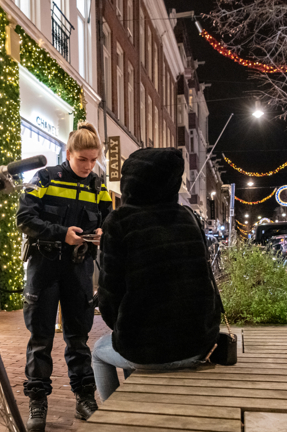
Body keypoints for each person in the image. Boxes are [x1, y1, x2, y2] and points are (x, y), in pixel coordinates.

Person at [93, 148, 220, 400]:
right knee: (129, 342)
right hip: (200, 343)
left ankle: (113, 420)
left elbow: (110, 295)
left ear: (130, 180)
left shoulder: (119, 221)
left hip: (148, 351)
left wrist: (123, 329)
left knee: (98, 351)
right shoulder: (189, 217)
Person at [16, 122, 112, 430]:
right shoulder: (44, 178)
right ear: (68, 153)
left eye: (93, 159)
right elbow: (24, 218)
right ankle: (37, 403)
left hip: (79, 270)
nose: (88, 165)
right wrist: (61, 234)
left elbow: (109, 222)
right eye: (82, 158)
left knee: (78, 339)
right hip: (44, 269)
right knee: (41, 339)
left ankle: (85, 398)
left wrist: (101, 232)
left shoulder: (99, 186)